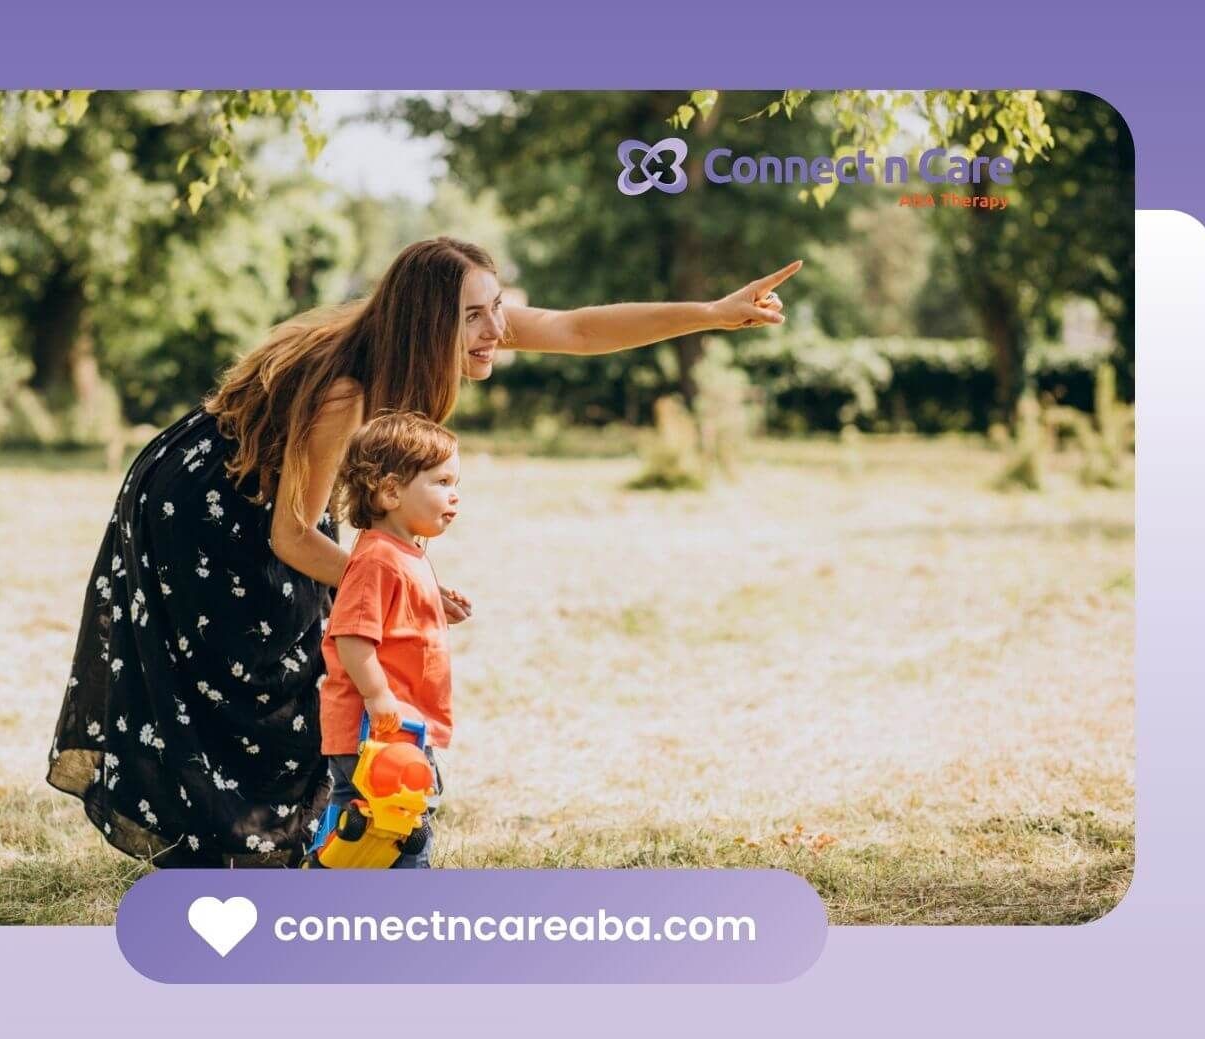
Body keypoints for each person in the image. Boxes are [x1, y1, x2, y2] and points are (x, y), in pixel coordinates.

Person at [47, 236, 801, 867]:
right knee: (272, 656)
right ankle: (232, 839)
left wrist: (713, 313)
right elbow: (290, 536)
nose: (495, 330)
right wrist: (400, 585)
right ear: (425, 322)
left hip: (272, 495)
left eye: (496, 309)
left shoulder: (447, 338)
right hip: (205, 500)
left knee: (321, 640)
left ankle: (299, 840)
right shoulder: (347, 392)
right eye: (473, 317)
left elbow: (576, 329)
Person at [312, 413, 462, 868]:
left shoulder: (405, 552)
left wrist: (434, 604)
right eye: (440, 481)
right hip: (373, 729)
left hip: (401, 727)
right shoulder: (377, 559)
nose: (454, 494)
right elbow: (352, 637)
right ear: (391, 491)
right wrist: (378, 698)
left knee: (397, 820)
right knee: (386, 826)